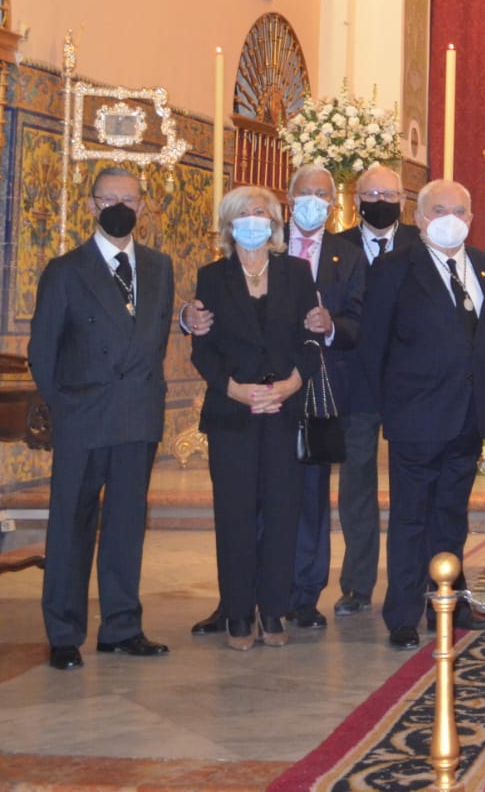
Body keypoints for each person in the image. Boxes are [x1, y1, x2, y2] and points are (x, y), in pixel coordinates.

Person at [28, 167, 187, 670]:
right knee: (71, 524)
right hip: (83, 415)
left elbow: (155, 338)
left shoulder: (160, 267)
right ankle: (64, 632)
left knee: (125, 524)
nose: (120, 206)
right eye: (109, 198)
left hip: (137, 414)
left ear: (142, 207)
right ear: (92, 205)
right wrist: (68, 406)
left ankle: (121, 626)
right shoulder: (65, 270)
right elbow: (42, 352)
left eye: (130, 198)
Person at [357, 178, 485, 649]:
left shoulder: (484, 266)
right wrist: (386, 409)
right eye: (439, 210)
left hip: (467, 416)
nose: (450, 219)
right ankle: (402, 612)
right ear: (419, 218)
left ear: (472, 220)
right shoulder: (393, 268)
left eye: (460, 210)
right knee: (411, 517)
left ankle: (451, 601)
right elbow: (373, 346)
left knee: (451, 515)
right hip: (416, 416)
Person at [191, 186, 323, 650]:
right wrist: (234, 389)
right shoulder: (212, 276)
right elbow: (202, 348)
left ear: (275, 222)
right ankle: (238, 614)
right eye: (244, 213)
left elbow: (312, 339)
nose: (254, 218)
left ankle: (272, 611)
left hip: (284, 409)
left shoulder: (297, 272)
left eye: (262, 212)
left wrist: (291, 383)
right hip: (233, 412)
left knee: (284, 512)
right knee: (235, 515)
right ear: (229, 225)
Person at [325, 164, 418, 618]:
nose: (380, 200)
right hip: (356, 382)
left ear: (404, 200)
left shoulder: (421, 242)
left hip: (409, 385)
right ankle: (357, 585)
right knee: (356, 484)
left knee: (410, 485)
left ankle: (412, 579)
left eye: (389, 193)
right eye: (371, 193)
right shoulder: (335, 246)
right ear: (356, 198)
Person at [275, 164, 366, 631]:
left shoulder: (346, 256)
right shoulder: (266, 244)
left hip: (320, 391)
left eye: (322, 195)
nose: (312, 200)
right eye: (304, 192)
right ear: (289, 199)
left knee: (312, 495)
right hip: (268, 387)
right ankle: (264, 588)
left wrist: (332, 326)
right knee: (266, 489)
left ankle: (305, 593)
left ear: (333, 205)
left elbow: (357, 319)